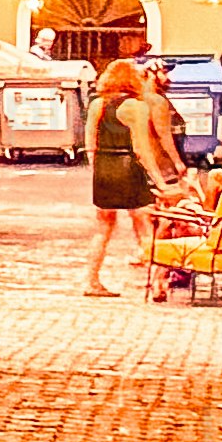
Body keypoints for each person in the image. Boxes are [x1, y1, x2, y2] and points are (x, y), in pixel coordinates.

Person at [83, 53, 185, 296]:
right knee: (144, 225)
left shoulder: (97, 104)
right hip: (128, 167)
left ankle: (92, 281)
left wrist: (97, 169)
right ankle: (158, 282)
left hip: (104, 167)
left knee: (103, 229)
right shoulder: (135, 107)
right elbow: (141, 148)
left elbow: (89, 143)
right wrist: (159, 182)